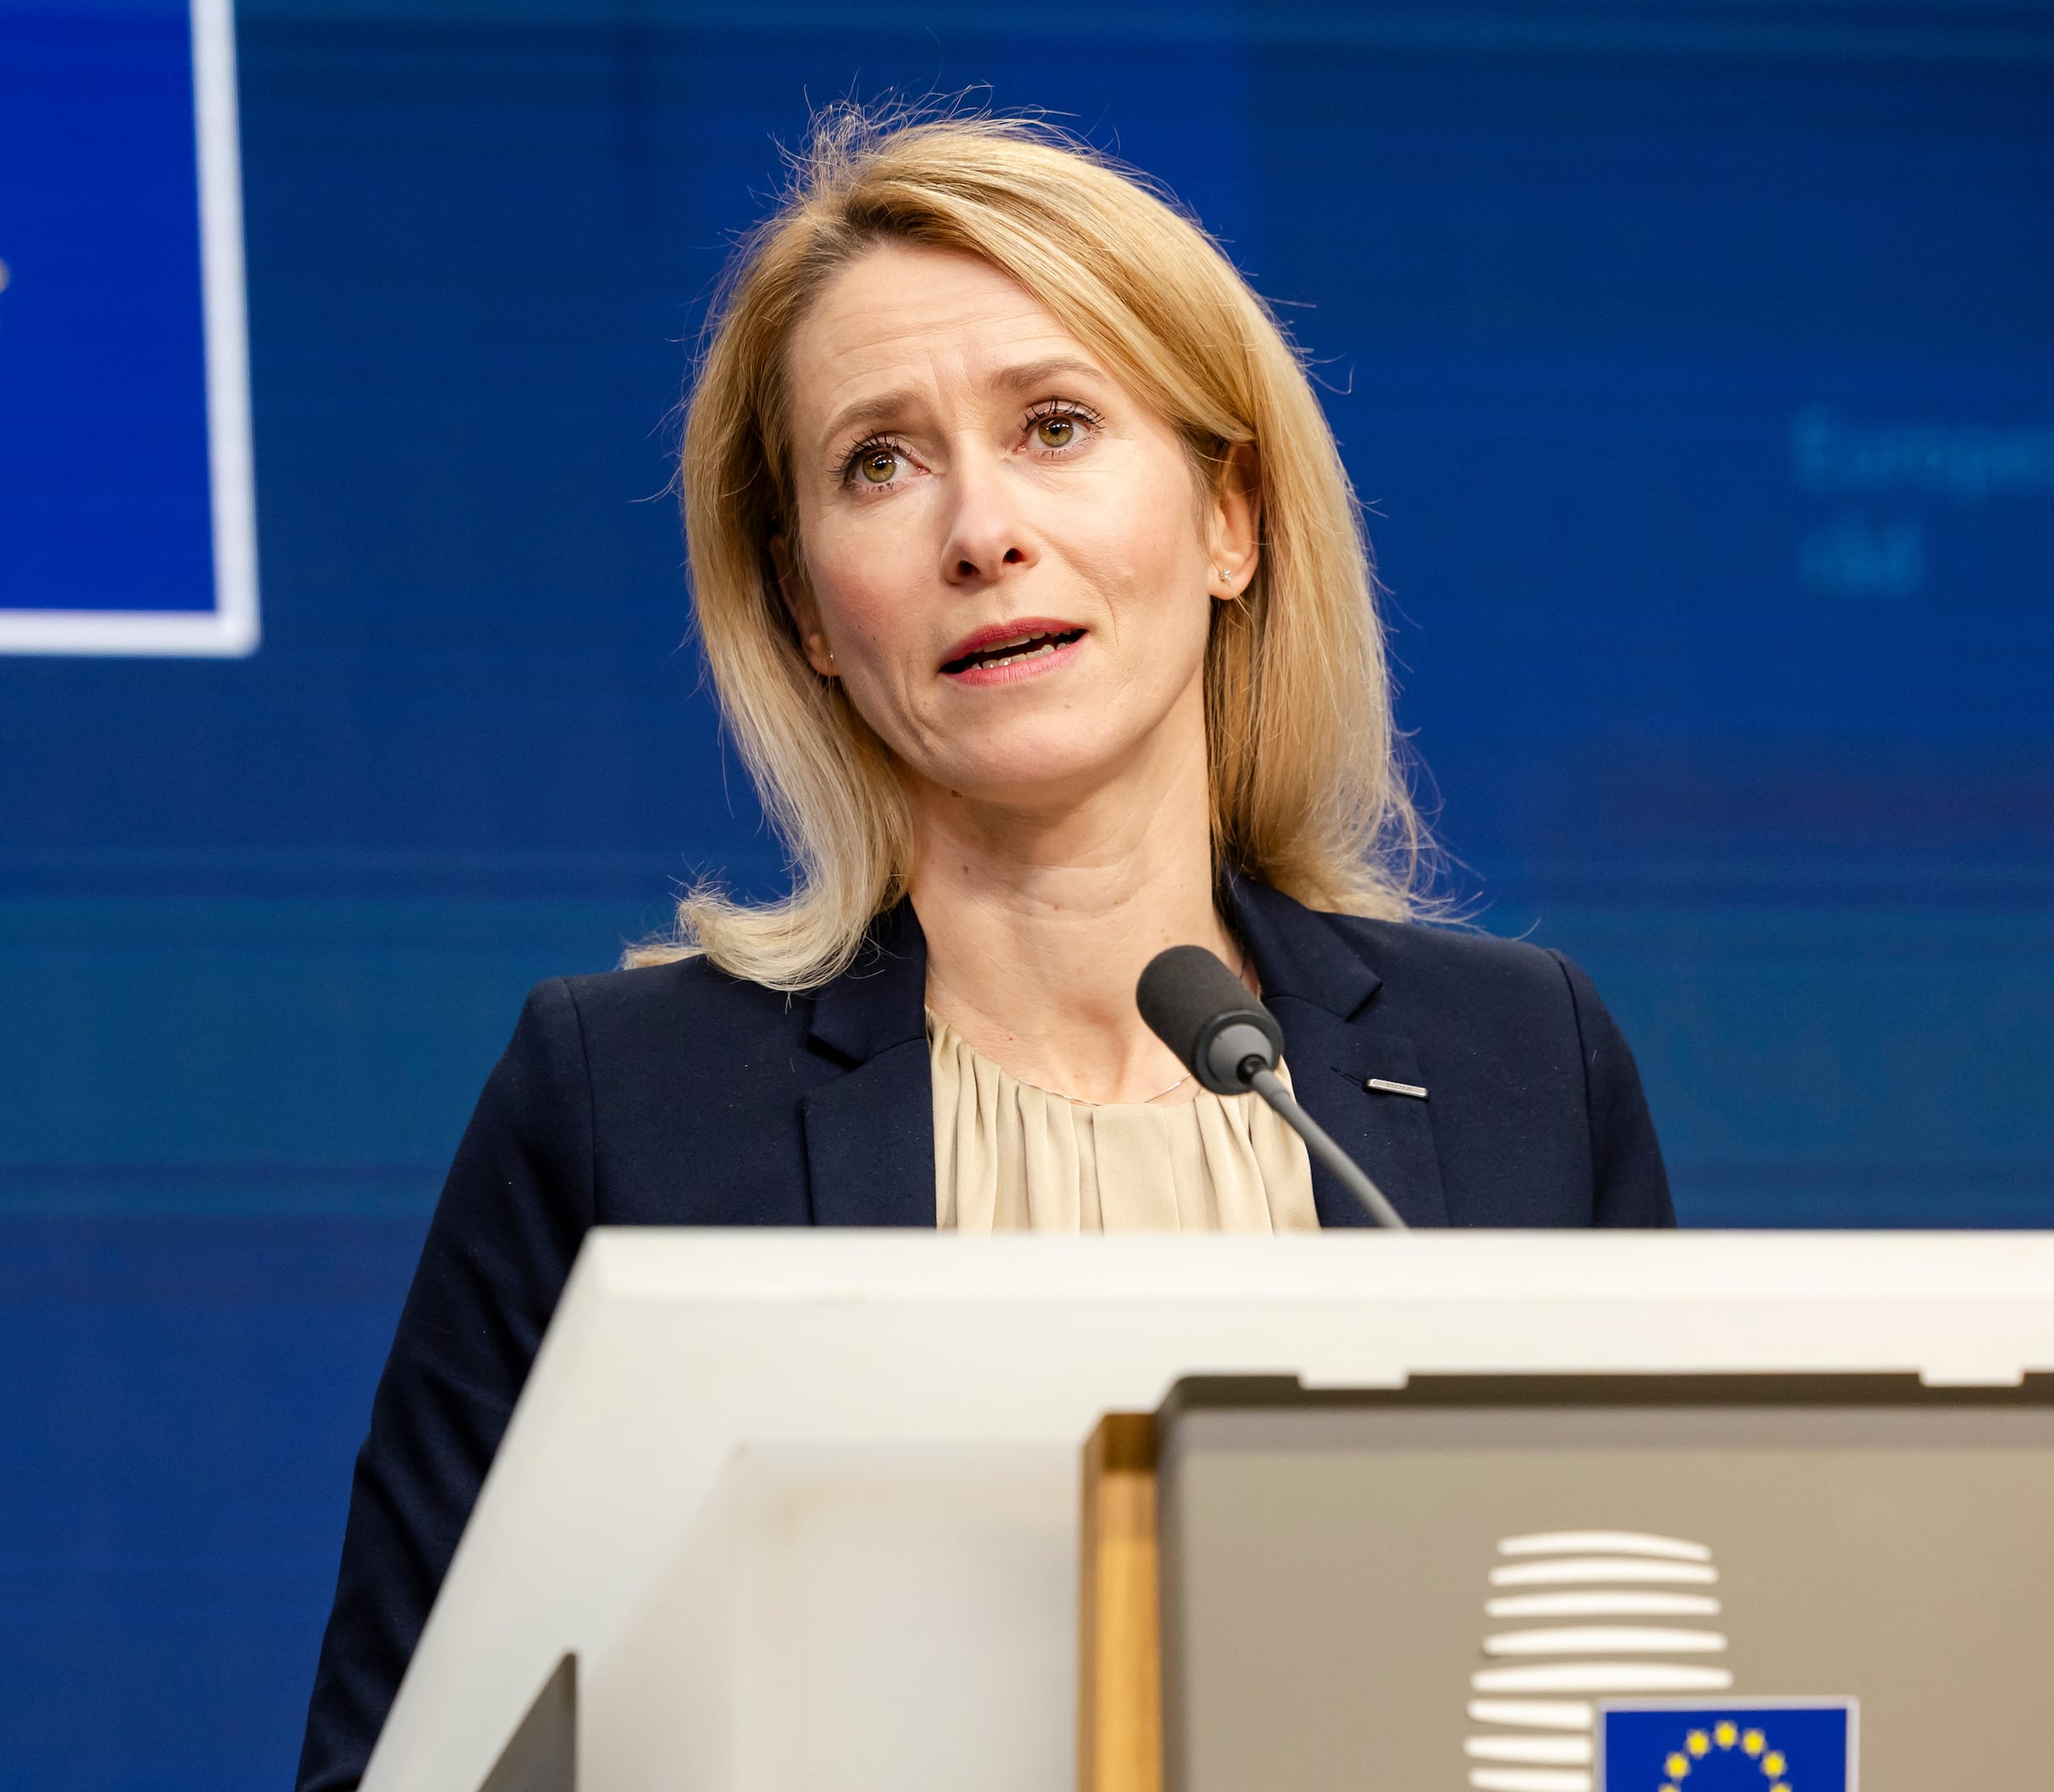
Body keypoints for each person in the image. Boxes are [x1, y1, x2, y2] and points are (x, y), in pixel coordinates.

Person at [292, 111, 1671, 1791]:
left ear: (1230, 519)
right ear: (807, 610)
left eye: (1057, 425)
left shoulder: (1520, 1066)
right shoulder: (624, 1106)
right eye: (879, 462)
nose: (981, 529)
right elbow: (399, 1760)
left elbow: (1661, 1682)